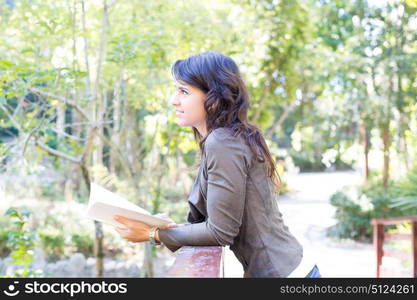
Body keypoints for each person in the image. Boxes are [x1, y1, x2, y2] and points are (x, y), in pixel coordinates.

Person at [113, 51, 321, 278]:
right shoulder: (226, 139)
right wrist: (165, 227)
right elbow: (216, 220)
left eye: (183, 91)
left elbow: (220, 232)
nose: (174, 100)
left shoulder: (222, 142)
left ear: (213, 97)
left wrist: (153, 234)